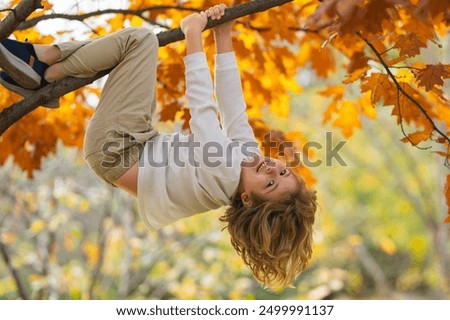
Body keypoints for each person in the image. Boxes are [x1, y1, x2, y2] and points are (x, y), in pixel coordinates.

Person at [0, 4, 317, 288]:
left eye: (271, 183)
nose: (273, 168)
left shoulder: (223, 174)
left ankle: (45, 60)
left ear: (247, 200)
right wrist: (223, 36)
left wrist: (193, 37)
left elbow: (204, 113)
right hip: (137, 140)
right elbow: (234, 106)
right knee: (135, 45)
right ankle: (47, 72)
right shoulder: (246, 161)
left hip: (115, 149)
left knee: (138, 41)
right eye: (283, 170)